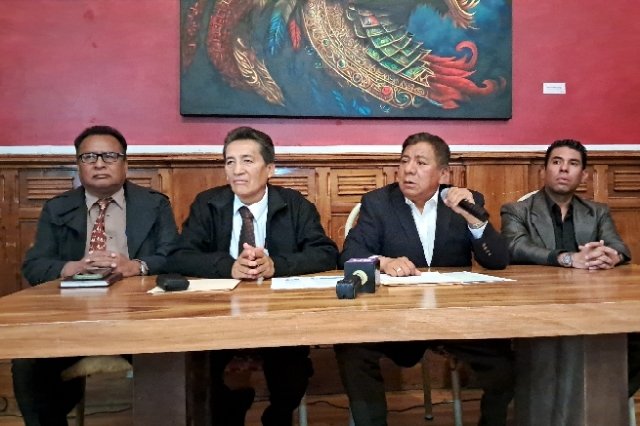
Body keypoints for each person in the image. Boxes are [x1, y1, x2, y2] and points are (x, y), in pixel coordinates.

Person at [336, 132, 514, 426]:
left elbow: (497, 261)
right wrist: (383, 262)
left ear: (443, 174)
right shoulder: (378, 203)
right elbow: (349, 255)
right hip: (395, 317)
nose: (409, 170)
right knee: (352, 350)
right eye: (404, 161)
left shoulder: (464, 202)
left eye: (420, 163)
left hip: (454, 317)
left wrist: (474, 219)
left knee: (504, 363)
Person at [170, 126, 338, 426]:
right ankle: (229, 407)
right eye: (230, 162)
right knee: (198, 366)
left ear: (269, 169)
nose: (237, 171)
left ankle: (277, 416)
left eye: (247, 161)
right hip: (218, 314)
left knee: (292, 369)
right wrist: (227, 267)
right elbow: (181, 255)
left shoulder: (295, 205)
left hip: (279, 314)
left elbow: (325, 253)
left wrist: (276, 265)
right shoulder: (208, 204)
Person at [12, 125, 179, 426]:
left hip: (140, 317)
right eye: (89, 157)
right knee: (27, 363)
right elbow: (34, 265)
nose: (99, 164)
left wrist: (136, 266)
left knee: (174, 358)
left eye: (109, 156)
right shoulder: (57, 208)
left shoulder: (154, 204)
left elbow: (175, 256)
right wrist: (71, 267)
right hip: (72, 321)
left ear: (125, 163)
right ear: (78, 164)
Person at [500, 139, 640, 402]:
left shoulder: (597, 212)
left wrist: (612, 256)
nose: (564, 169)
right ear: (543, 171)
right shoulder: (517, 210)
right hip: (538, 307)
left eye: (573, 163)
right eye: (556, 162)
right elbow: (514, 247)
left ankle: (602, 401)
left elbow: (619, 246)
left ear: (584, 175)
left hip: (591, 307)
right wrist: (567, 258)